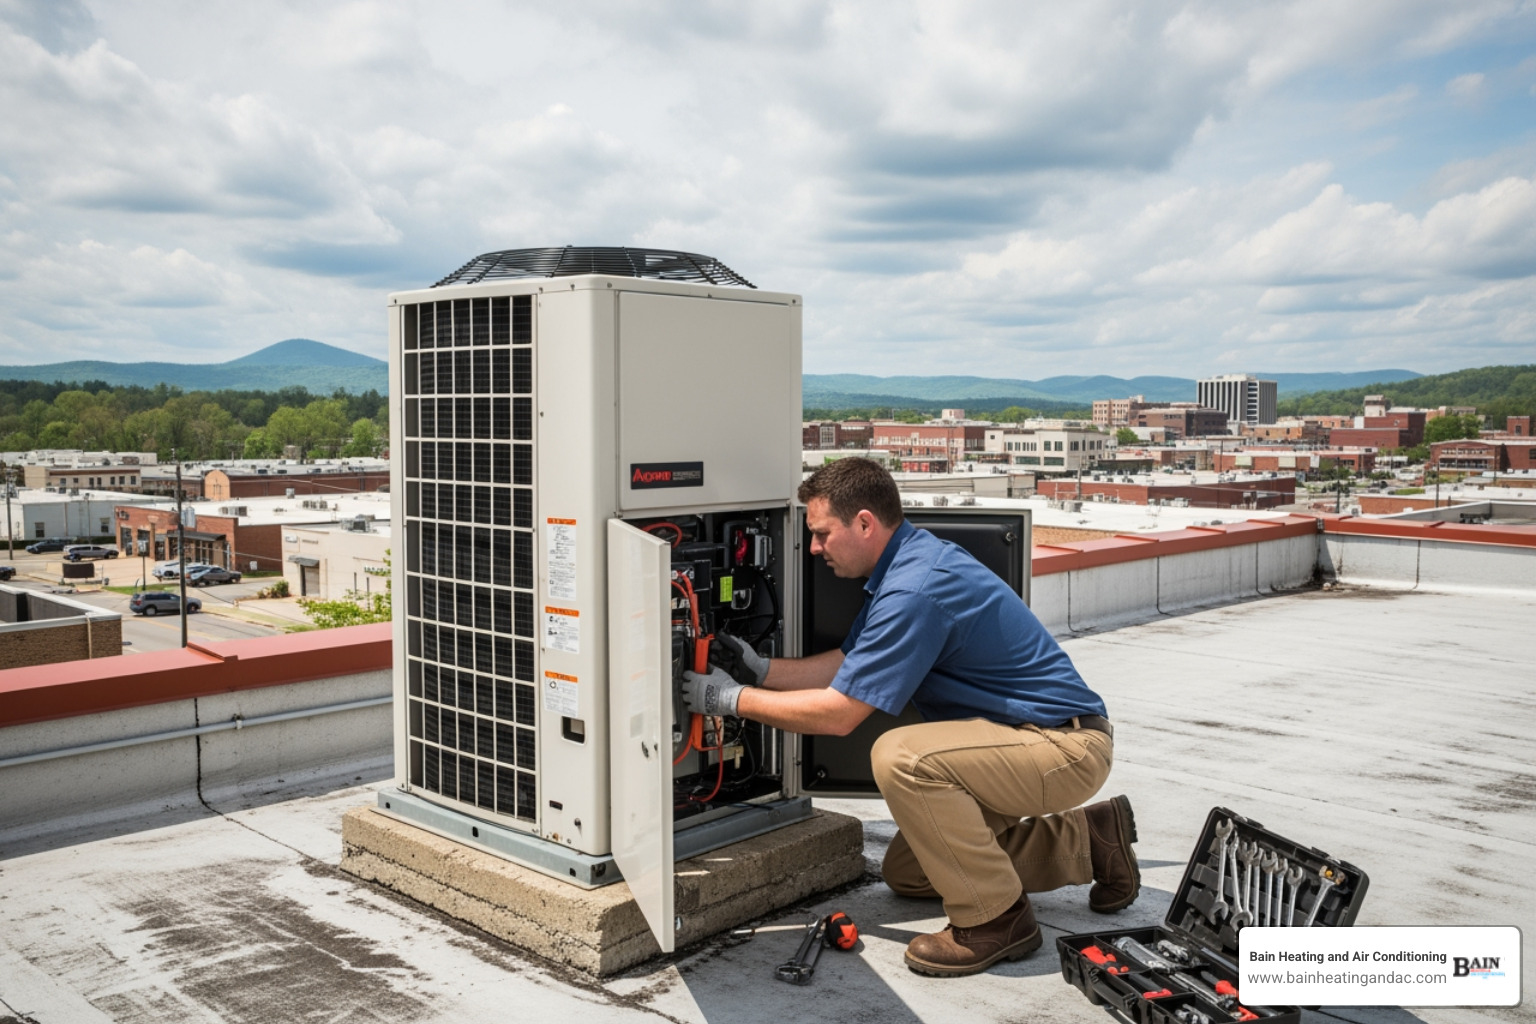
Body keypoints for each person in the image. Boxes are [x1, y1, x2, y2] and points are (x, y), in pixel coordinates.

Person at [682, 457, 1139, 977]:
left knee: (901, 756)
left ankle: (998, 921)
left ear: (864, 524)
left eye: (822, 534)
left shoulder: (915, 588)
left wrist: (729, 699)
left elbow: (838, 714)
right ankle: (1091, 841)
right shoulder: (906, 567)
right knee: (912, 872)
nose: (813, 548)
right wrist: (760, 670)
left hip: (1061, 748)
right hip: (1018, 743)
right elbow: (847, 667)